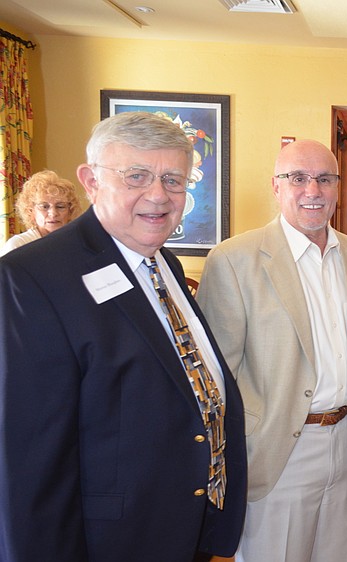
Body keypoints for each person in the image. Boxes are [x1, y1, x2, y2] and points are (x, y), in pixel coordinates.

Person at [0, 111, 247, 561]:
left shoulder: (163, 264)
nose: (158, 195)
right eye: (136, 176)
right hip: (110, 540)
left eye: (174, 179)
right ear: (91, 181)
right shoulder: (32, 277)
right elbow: (30, 458)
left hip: (180, 521)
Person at [196, 138, 347, 562]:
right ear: (276, 185)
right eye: (299, 178)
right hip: (278, 448)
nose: (313, 191)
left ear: (337, 187)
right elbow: (217, 377)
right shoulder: (234, 260)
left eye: (325, 179)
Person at [1, 169, 83, 255]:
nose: (53, 213)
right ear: (31, 210)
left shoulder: (78, 244)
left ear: (71, 210)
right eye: (44, 206)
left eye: (60, 206)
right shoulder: (18, 245)